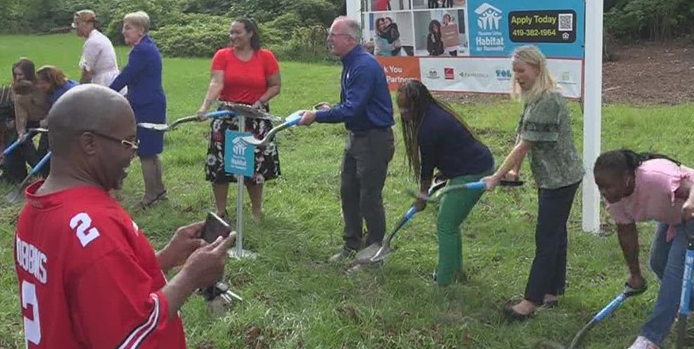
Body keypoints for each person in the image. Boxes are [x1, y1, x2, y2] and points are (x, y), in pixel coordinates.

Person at [13, 84, 234, 349]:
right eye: (127, 142)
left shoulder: (37, 209)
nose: (132, 152)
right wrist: (191, 277)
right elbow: (129, 333)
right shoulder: (94, 227)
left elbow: (93, 294)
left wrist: (163, 260)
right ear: (89, 143)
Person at [593, 149, 694, 349]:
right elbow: (626, 232)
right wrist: (635, 274)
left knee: (675, 269)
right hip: (677, 213)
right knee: (658, 262)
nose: (603, 192)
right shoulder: (616, 197)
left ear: (626, 178)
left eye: (608, 186)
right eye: (600, 186)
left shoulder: (655, 177)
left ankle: (650, 339)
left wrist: (693, 203)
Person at [483, 46, 584, 321]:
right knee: (556, 234)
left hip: (561, 178)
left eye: (521, 71)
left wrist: (495, 177)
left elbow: (524, 145)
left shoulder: (549, 100)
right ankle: (552, 292)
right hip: (552, 177)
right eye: (514, 71)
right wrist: (513, 172)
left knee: (546, 237)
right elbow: (522, 137)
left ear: (537, 69)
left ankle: (530, 302)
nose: (517, 76)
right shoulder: (534, 97)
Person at [298, 17, 395, 262]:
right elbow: (354, 104)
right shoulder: (351, 62)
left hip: (373, 140)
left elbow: (352, 109)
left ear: (350, 40)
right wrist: (332, 108)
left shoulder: (363, 66)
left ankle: (375, 252)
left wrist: (317, 116)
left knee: (369, 197)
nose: (329, 39)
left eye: (333, 35)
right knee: (349, 192)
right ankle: (351, 245)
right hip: (357, 137)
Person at [397, 80, 493, 286]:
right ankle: (455, 272)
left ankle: (444, 281)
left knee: (446, 223)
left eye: (406, 107)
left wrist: (422, 196)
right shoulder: (432, 113)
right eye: (400, 107)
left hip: (474, 171)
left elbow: (427, 166)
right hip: (469, 166)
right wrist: (447, 170)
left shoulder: (429, 126)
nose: (403, 112)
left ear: (418, 103)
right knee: (450, 222)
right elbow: (449, 147)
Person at [197, 18, 282, 221]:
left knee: (254, 167)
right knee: (219, 166)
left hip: (255, 118)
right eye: (231, 33)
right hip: (227, 116)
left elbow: (275, 85)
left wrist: (260, 102)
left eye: (238, 33)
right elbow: (216, 83)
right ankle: (220, 211)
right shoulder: (222, 56)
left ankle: (256, 211)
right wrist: (205, 107)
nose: (233, 37)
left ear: (250, 33)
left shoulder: (266, 57)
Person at [110, 11, 168, 209]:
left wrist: (104, 93)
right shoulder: (146, 47)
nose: (123, 31)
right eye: (124, 27)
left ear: (141, 31)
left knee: (146, 152)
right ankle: (159, 191)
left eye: (128, 28)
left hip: (147, 105)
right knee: (151, 152)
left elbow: (126, 76)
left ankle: (150, 196)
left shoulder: (141, 51)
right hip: (150, 102)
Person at [73, 9, 121, 88]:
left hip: (105, 83)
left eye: (78, 24)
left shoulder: (92, 42)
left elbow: (87, 72)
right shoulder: (98, 37)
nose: (76, 27)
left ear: (89, 24)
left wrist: (80, 90)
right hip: (111, 80)